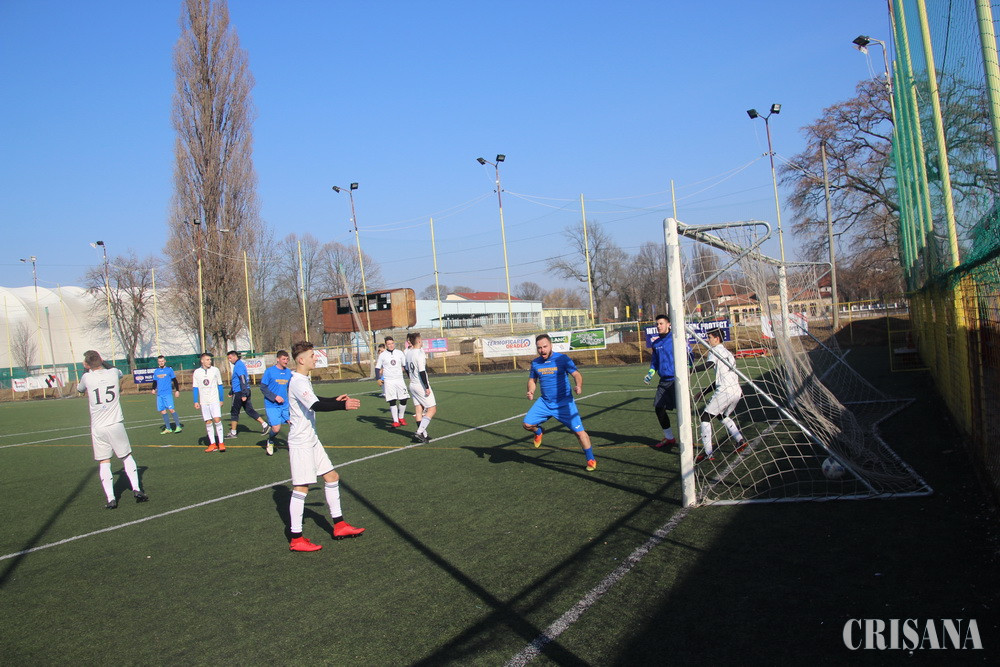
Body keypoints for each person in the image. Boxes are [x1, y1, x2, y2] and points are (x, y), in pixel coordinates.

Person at [284, 340, 365, 552]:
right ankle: (296, 538)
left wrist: (334, 399)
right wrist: (342, 405)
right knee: (301, 488)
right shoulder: (297, 381)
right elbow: (315, 405)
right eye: (312, 356)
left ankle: (339, 525)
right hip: (301, 442)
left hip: (311, 439)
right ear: (301, 360)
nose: (315, 358)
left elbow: (315, 399)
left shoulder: (303, 379)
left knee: (332, 477)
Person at [77, 350, 149, 508]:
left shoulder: (87, 377)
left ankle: (111, 498)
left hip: (98, 427)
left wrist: (85, 368)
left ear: (87, 364)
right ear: (101, 360)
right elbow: (117, 371)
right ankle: (137, 488)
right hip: (115, 424)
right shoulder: (113, 373)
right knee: (126, 457)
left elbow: (80, 389)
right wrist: (102, 361)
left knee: (104, 462)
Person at [523, 334, 597, 471]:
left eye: (545, 346)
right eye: (539, 348)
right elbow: (532, 380)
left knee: (579, 433)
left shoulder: (562, 359)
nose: (542, 350)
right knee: (527, 424)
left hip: (564, 404)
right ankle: (538, 431)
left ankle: (591, 459)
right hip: (545, 403)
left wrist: (578, 385)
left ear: (551, 345)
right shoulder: (535, 363)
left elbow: (576, 374)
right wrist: (531, 391)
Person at [692, 328, 746, 462]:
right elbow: (721, 379)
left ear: (717, 339)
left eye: (709, 337)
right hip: (736, 391)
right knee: (721, 415)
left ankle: (708, 453)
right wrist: (703, 392)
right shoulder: (728, 353)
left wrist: (691, 370)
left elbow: (709, 364)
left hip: (725, 391)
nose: (707, 340)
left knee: (705, 417)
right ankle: (740, 440)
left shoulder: (714, 350)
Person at [644, 314, 679, 449]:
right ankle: (669, 438)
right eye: (657, 324)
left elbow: (689, 355)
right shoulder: (656, 343)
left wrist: (688, 368)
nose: (658, 326)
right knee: (659, 408)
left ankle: (688, 440)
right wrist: (650, 374)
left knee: (683, 411)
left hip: (676, 381)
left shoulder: (676, 339)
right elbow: (655, 362)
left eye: (661, 323)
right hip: (663, 382)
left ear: (669, 324)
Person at [226, 350, 269, 439]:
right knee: (249, 410)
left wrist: (244, 394)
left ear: (235, 357)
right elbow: (237, 380)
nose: (229, 360)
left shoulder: (239, 365)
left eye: (230, 358)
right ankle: (265, 425)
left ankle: (233, 432)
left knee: (234, 412)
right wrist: (231, 391)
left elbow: (242, 379)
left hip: (240, 392)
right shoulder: (239, 365)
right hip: (242, 391)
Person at [404, 332, 436, 443]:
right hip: (420, 385)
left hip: (412, 384)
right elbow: (422, 371)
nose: (422, 341)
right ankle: (419, 432)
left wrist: (412, 378)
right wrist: (426, 387)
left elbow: (406, 369)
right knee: (432, 409)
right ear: (418, 341)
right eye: (421, 340)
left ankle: (424, 435)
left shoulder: (408, 353)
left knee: (419, 410)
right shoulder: (419, 354)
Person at [260, 350, 293, 456]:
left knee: (293, 424)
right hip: (272, 405)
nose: (286, 361)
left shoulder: (289, 373)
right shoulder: (269, 371)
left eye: (287, 359)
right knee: (276, 428)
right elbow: (263, 388)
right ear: (278, 359)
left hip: (285, 405)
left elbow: (291, 388)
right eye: (283, 359)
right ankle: (270, 440)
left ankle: (294, 445)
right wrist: (275, 397)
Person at [192, 352, 226, 452]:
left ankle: (221, 443)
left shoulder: (215, 370)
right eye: (207, 360)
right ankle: (212, 444)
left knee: (217, 420)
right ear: (202, 361)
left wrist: (221, 399)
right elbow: (195, 387)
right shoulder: (197, 372)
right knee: (208, 421)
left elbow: (220, 385)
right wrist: (195, 401)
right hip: (204, 401)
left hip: (214, 400)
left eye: (210, 359)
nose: (209, 361)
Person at [375, 336, 409, 428]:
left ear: (394, 343)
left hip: (399, 379)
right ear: (386, 345)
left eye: (392, 343)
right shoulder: (382, 355)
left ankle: (401, 417)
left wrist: (410, 377)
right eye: (389, 344)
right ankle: (396, 421)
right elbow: (377, 367)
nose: (391, 345)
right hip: (389, 381)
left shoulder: (400, 353)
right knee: (392, 400)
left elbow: (405, 366)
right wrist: (378, 378)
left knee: (404, 399)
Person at [152, 354, 182, 434]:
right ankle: (168, 428)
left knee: (171, 409)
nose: (161, 362)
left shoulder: (169, 370)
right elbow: (155, 381)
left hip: (167, 393)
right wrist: (153, 389)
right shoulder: (156, 371)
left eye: (162, 361)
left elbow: (175, 380)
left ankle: (178, 426)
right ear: (158, 362)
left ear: (165, 361)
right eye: (159, 361)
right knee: (162, 411)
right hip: (159, 394)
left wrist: (177, 390)